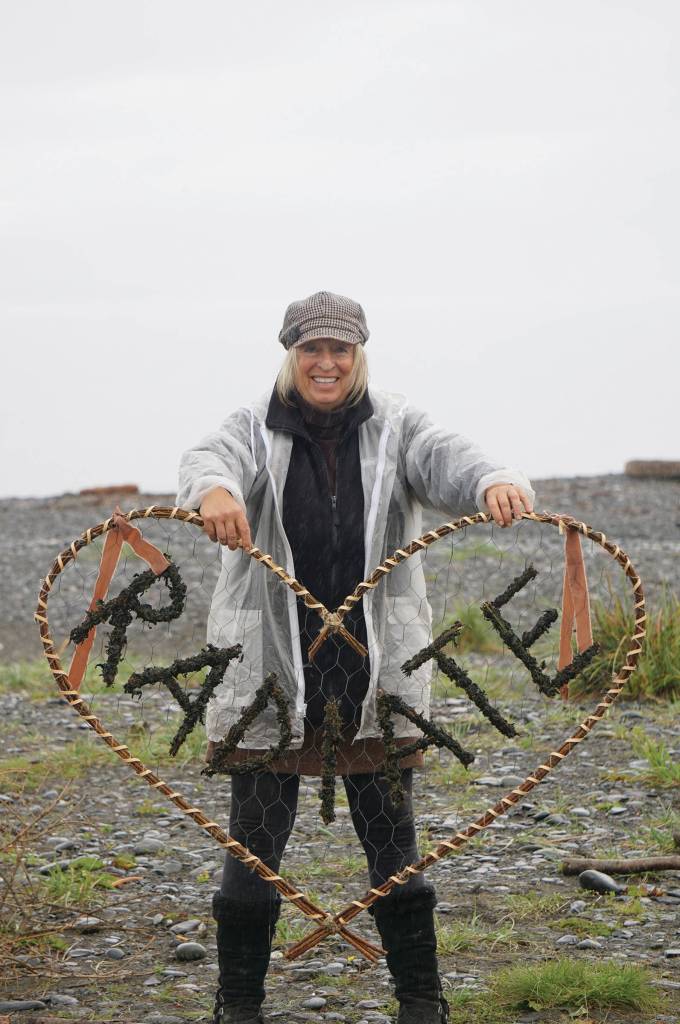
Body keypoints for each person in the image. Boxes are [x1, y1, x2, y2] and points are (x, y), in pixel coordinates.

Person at [177, 291, 535, 1024]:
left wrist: (494, 479)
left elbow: (450, 458)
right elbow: (206, 457)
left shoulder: (398, 424)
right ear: (291, 355)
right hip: (269, 668)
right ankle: (236, 1005)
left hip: (376, 669)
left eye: (341, 350)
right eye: (313, 349)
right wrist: (212, 490)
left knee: (391, 842)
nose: (327, 363)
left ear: (359, 355)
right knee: (254, 847)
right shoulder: (253, 426)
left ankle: (420, 1001)